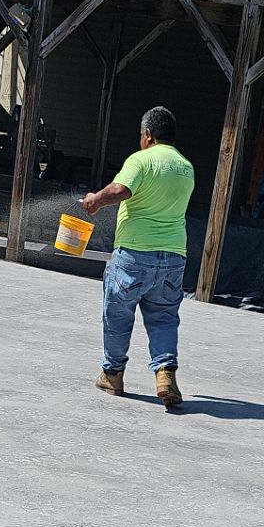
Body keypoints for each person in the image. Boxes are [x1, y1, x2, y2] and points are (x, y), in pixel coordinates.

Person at [81, 105, 195, 409]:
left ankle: (113, 374)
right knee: (163, 317)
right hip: (173, 256)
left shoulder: (141, 160)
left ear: (148, 135)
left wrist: (95, 201)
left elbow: (120, 189)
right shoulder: (186, 166)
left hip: (135, 253)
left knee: (118, 314)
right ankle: (165, 373)